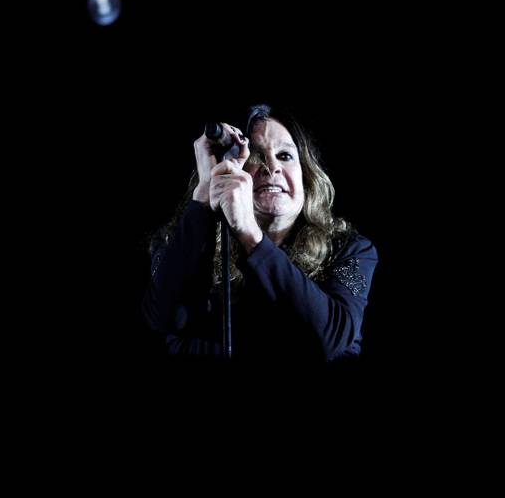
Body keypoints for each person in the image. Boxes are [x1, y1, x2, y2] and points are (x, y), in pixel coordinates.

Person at [142, 104, 378, 362]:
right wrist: (205, 193)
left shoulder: (350, 249)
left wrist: (250, 234)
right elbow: (165, 319)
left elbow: (330, 339)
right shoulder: (177, 240)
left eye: (285, 155)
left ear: (307, 177)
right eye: (254, 156)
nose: (271, 167)